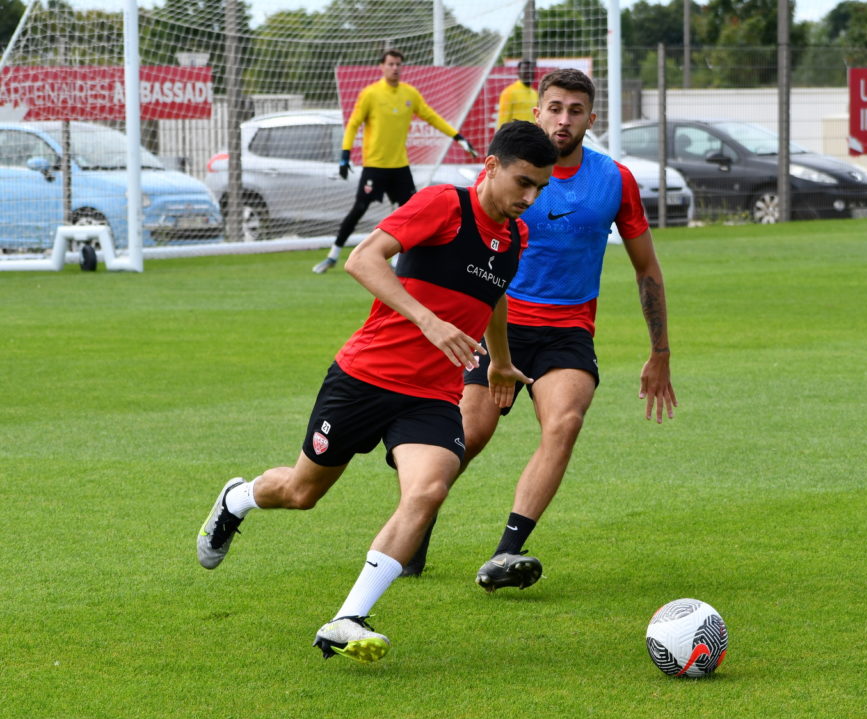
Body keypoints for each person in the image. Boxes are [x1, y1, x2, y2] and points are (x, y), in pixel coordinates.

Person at [197, 121, 557, 662]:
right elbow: (361, 259)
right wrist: (428, 321)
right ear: (490, 166)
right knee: (301, 493)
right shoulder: (441, 204)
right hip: (364, 378)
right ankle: (237, 499)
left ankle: (347, 616)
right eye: (523, 183)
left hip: (432, 394)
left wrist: (501, 363)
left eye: (540, 189)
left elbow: (495, 293)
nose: (529, 198)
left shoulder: (516, 235)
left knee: (429, 489)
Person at [406, 69, 677, 591]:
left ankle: (506, 554)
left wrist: (659, 351)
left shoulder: (613, 180)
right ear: (537, 113)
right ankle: (416, 526)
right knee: (470, 435)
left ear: (590, 119)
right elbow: (467, 251)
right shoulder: (508, 176)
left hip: (567, 331)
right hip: (497, 324)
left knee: (565, 422)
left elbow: (646, 268)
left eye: (575, 110)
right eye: (554, 107)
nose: (563, 118)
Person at [313, 48, 479, 274]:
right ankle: (332, 255)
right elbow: (353, 124)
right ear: (382, 66)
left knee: (412, 213)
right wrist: (345, 155)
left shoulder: (410, 93)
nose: (395, 68)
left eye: (398, 64)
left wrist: (458, 137)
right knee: (359, 208)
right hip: (375, 165)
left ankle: (398, 260)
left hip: (400, 166)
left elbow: (431, 117)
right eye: (390, 64)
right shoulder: (370, 93)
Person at [495, 59, 538, 130]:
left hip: (531, 137)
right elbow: (502, 120)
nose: (529, 73)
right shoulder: (509, 92)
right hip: (515, 138)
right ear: (518, 72)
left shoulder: (535, 93)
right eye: (525, 70)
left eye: (531, 70)